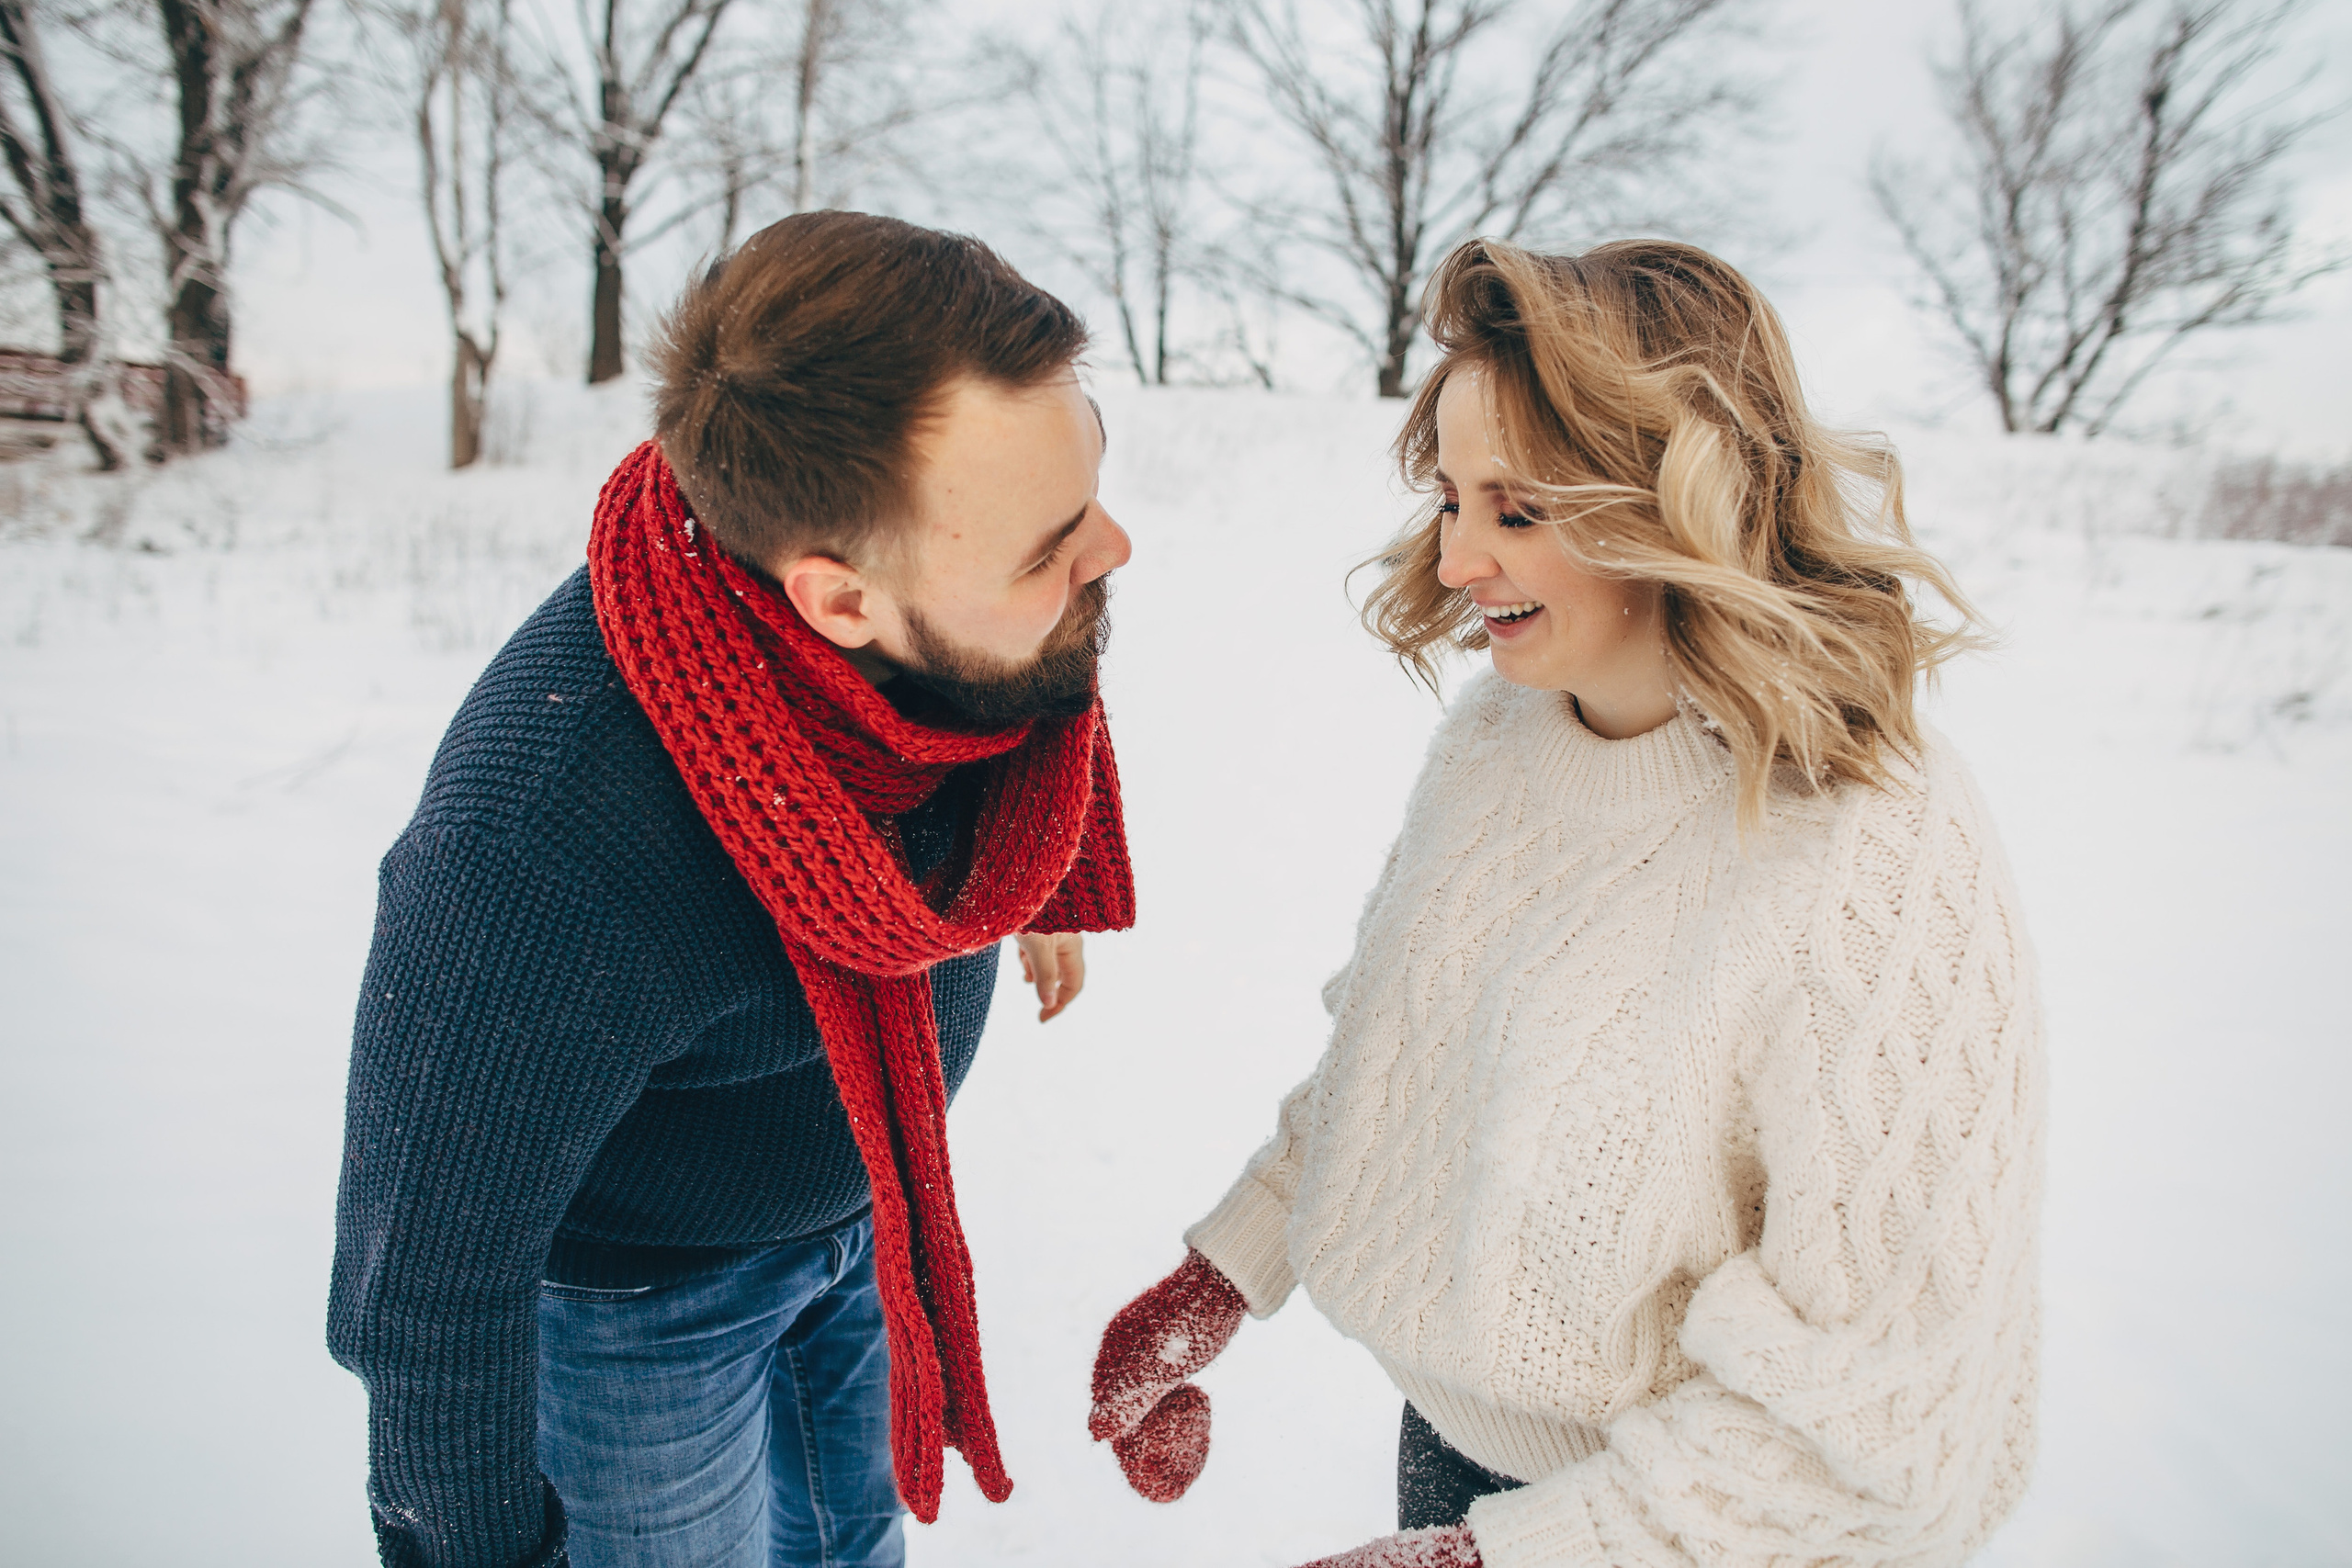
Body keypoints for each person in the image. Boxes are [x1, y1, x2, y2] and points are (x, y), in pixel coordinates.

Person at [1088, 237, 2044, 1568]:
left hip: (1697, 1529)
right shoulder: (1500, 738)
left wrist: (1498, 1562)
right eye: (1451, 499)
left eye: (1520, 509)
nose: (1463, 555)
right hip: (1462, 1462)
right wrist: (1227, 1270)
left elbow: (1892, 1396)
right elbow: (1403, 1041)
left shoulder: (1872, 844)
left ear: (1679, 502)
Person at [328, 211, 1136, 1568]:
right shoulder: (545, 844)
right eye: (1047, 548)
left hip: (866, 1209)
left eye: (1092, 486)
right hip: (641, 1317)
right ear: (837, 603)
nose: (1110, 548)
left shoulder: (950, 608)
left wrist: (1027, 871)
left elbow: (1019, 686)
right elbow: (424, 1287)